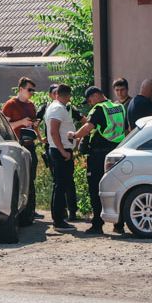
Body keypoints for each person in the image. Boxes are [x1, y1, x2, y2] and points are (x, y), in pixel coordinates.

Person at [69, 86, 127, 235]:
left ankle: (97, 224)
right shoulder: (119, 107)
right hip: (117, 153)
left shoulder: (99, 108)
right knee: (117, 188)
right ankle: (119, 224)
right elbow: (127, 129)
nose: (89, 104)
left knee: (96, 189)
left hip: (98, 156)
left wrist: (75, 135)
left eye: (89, 100)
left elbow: (88, 127)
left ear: (95, 96)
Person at [2, 77, 40, 216]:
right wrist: (21, 122)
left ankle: (31, 209)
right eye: (29, 89)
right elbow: (5, 128)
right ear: (21, 89)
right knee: (21, 177)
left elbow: (34, 124)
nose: (31, 92)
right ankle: (21, 209)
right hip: (17, 146)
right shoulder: (10, 105)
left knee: (31, 177)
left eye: (33, 90)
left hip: (30, 145)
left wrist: (36, 127)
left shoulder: (31, 105)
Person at [45, 84, 78, 230]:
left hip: (62, 150)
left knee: (60, 185)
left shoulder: (56, 107)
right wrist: (63, 151)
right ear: (67, 95)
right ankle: (58, 220)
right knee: (60, 186)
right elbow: (53, 131)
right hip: (60, 151)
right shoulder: (57, 108)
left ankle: (59, 218)